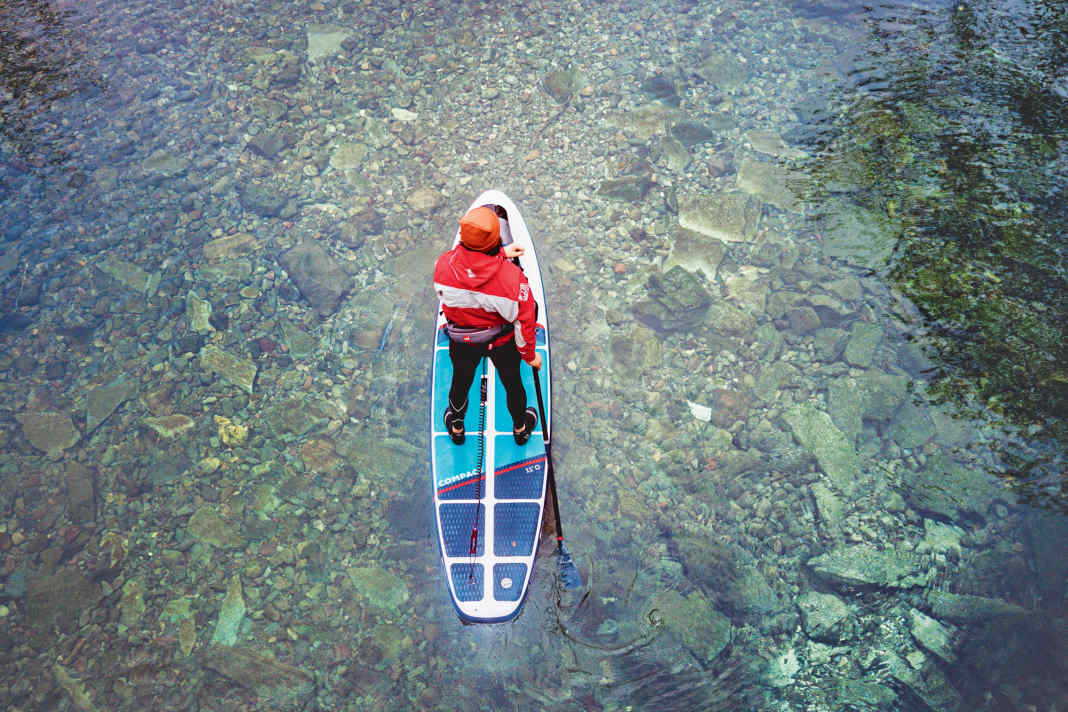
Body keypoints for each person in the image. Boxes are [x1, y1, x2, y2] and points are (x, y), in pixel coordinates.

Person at [433, 205, 543, 446]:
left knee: (461, 380)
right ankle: (521, 427)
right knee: (513, 382)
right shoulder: (513, 281)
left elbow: (470, 273)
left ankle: (457, 425)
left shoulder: (442, 266)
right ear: (495, 240)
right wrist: (529, 355)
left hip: (462, 342)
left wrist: (502, 253)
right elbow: (524, 323)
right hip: (502, 344)